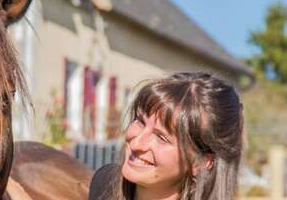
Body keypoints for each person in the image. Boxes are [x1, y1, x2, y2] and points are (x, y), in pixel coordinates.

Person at [89, 72, 244, 200]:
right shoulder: (104, 184)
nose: (136, 143)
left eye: (161, 137)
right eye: (140, 121)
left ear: (201, 162)